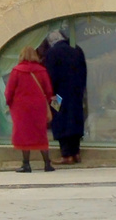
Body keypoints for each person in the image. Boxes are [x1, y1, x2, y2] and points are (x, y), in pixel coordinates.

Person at [4, 45, 56, 172]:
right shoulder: (42, 70)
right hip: (38, 106)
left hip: (20, 107)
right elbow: (49, 91)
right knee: (40, 133)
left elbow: (9, 91)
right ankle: (47, 163)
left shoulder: (16, 71)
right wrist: (52, 104)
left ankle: (26, 164)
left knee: (23, 134)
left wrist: (9, 103)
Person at [44, 28, 87, 164]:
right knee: (75, 120)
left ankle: (66, 155)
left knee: (60, 120)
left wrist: (50, 94)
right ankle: (76, 153)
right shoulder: (76, 49)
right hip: (76, 93)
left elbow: (50, 76)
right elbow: (83, 72)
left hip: (58, 95)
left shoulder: (52, 52)